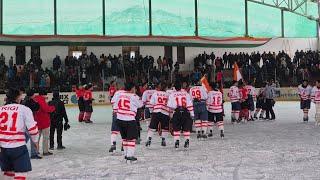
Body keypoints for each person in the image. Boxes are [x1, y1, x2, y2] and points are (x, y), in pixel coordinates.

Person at [0, 88, 39, 179]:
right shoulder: (24, 109)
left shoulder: (1, 109)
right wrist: (35, 141)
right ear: (17, 97)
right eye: (20, 95)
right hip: (18, 147)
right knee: (21, 173)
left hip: (3, 147)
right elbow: (32, 129)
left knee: (8, 172)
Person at [114, 83, 143, 162]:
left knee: (125, 138)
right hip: (129, 119)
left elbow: (115, 106)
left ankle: (126, 154)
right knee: (131, 139)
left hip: (119, 119)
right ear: (132, 88)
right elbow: (140, 105)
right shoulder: (134, 96)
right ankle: (130, 156)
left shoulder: (119, 95)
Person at [167, 81, 194, 149]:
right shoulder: (186, 94)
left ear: (175, 88)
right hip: (185, 112)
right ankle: (187, 140)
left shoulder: (172, 95)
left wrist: (171, 115)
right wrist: (192, 114)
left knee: (176, 128)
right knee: (186, 128)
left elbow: (170, 106)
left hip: (177, 112)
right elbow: (190, 104)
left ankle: (177, 141)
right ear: (181, 87)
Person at [145, 82, 170, 147]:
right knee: (165, 128)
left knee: (152, 127)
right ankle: (163, 140)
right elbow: (170, 105)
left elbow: (151, 103)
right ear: (165, 88)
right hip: (165, 112)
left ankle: (149, 138)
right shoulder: (168, 95)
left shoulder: (155, 93)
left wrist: (151, 112)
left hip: (156, 111)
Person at [34, 89, 56, 156]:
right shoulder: (41, 100)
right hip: (44, 121)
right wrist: (53, 108)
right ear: (43, 94)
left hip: (37, 121)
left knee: (37, 137)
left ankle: (35, 150)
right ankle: (45, 151)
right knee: (45, 137)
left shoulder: (36, 99)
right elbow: (46, 109)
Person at [21, 89, 42, 159]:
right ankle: (34, 153)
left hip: (22, 122)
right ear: (31, 95)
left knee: (25, 137)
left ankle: (19, 149)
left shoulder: (23, 101)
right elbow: (37, 108)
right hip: (28, 122)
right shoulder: (30, 101)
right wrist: (37, 102)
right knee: (33, 137)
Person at [109, 88, 125, 153]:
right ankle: (123, 146)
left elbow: (112, 102)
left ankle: (113, 145)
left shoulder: (117, 92)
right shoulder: (130, 94)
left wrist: (115, 109)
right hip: (124, 114)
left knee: (114, 130)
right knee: (124, 130)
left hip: (116, 113)